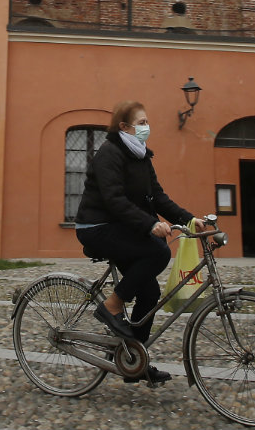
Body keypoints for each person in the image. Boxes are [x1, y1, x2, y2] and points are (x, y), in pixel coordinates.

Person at [74, 100, 195, 384]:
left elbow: (158, 197)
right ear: (124, 127)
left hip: (121, 226)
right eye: (141, 123)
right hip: (96, 227)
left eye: (146, 122)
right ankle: (112, 306)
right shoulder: (109, 153)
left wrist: (190, 220)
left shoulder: (141, 155)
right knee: (158, 252)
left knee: (150, 294)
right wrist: (150, 224)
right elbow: (114, 200)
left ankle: (134, 360)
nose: (146, 127)